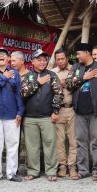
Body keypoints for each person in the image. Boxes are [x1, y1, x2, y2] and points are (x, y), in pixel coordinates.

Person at [66, 42, 97, 181]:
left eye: (79, 53)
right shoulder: (75, 67)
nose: (77, 56)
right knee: (80, 141)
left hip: (95, 111)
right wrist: (83, 78)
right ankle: (83, 170)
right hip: (79, 111)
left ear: (87, 52)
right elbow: (68, 84)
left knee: (96, 142)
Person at [21, 49, 63, 181]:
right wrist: (38, 82)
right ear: (32, 61)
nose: (42, 62)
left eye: (44, 60)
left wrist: (55, 111)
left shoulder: (52, 75)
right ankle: (33, 171)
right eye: (39, 59)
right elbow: (23, 93)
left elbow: (59, 93)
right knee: (32, 146)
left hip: (47, 117)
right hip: (30, 118)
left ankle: (51, 172)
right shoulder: (28, 76)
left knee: (50, 144)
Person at [0, 47, 25, 183]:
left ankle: (12, 173)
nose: (1, 56)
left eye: (4, 55)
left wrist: (20, 112)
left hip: (12, 115)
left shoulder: (15, 73)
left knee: (13, 145)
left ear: (8, 59)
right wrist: (4, 78)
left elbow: (18, 93)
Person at [51, 49, 78, 179]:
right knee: (59, 141)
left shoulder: (74, 70)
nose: (60, 61)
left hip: (72, 109)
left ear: (67, 58)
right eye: (58, 59)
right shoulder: (52, 73)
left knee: (73, 140)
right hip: (58, 110)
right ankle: (62, 166)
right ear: (55, 60)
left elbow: (79, 85)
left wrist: (66, 83)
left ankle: (72, 166)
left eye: (62, 58)